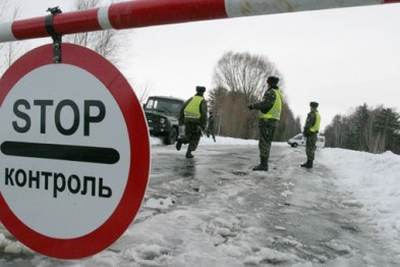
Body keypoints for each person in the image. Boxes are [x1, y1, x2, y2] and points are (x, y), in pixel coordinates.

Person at [248, 76, 283, 171]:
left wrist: (253, 106)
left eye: (267, 83)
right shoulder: (278, 93)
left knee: (264, 143)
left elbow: (265, 104)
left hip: (267, 121)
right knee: (267, 142)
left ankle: (263, 165)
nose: (267, 85)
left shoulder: (271, 92)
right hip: (273, 121)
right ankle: (264, 163)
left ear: (269, 83)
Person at [176, 86, 208, 158]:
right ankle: (188, 153)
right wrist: (203, 125)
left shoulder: (191, 99)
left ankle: (181, 140)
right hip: (196, 123)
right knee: (195, 138)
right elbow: (204, 114)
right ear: (203, 92)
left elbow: (182, 109)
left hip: (187, 121)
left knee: (188, 136)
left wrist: (181, 120)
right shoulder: (202, 101)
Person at [301, 101, 321, 169]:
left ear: (312, 107)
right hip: (314, 134)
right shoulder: (318, 114)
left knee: (309, 149)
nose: (310, 108)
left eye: (311, 107)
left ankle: (309, 164)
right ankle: (309, 163)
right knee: (311, 149)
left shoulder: (312, 114)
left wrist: (305, 132)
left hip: (310, 134)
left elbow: (308, 125)